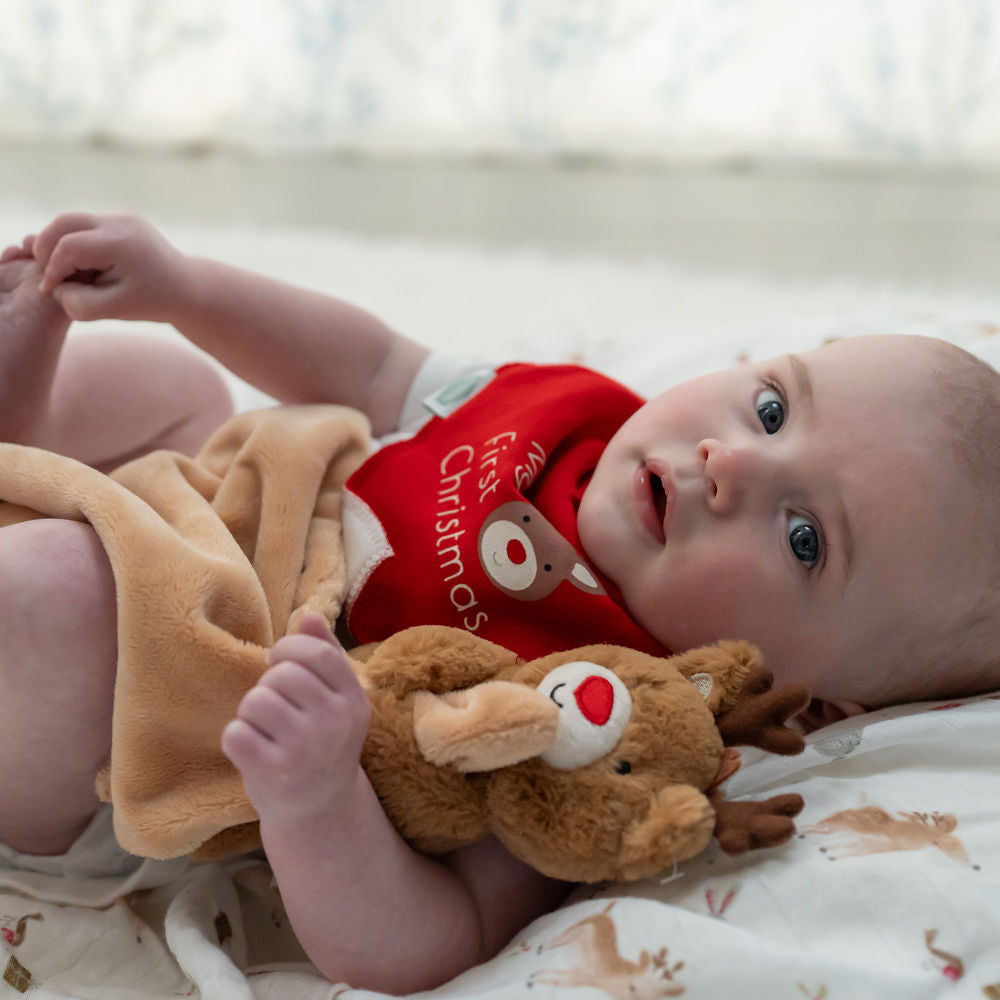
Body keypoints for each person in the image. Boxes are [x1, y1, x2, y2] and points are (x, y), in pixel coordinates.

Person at [1, 212, 998, 993]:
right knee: (165, 378)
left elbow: (437, 940)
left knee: (56, 597)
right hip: (217, 502)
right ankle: (27, 440)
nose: (728, 461)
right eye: (772, 408)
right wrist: (184, 285)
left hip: (160, 713)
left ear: (809, 699)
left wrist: (316, 798)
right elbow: (376, 367)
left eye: (802, 538)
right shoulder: (579, 414)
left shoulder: (597, 720)